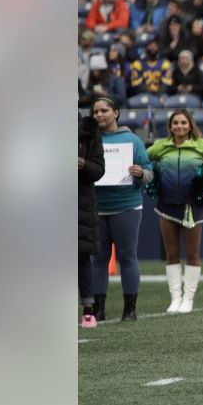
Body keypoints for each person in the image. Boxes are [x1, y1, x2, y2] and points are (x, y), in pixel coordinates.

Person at [147, 109, 203, 314]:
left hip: (192, 206)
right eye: (175, 123)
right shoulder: (161, 146)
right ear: (170, 126)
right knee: (171, 253)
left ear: (190, 125)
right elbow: (141, 158)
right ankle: (175, 298)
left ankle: (188, 299)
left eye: (183, 123)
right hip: (166, 205)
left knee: (192, 254)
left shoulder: (200, 146)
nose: (179, 126)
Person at [89, 97, 153, 322]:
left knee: (127, 257)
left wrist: (140, 173)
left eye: (104, 110)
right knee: (98, 259)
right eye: (95, 111)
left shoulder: (132, 140)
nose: (99, 115)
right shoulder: (87, 140)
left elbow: (149, 171)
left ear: (116, 113)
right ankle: (98, 310)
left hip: (126, 207)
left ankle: (130, 309)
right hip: (96, 207)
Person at [78, 113, 105, 328]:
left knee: (82, 255)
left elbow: (98, 169)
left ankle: (88, 310)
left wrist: (83, 165)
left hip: (81, 200)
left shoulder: (89, 128)